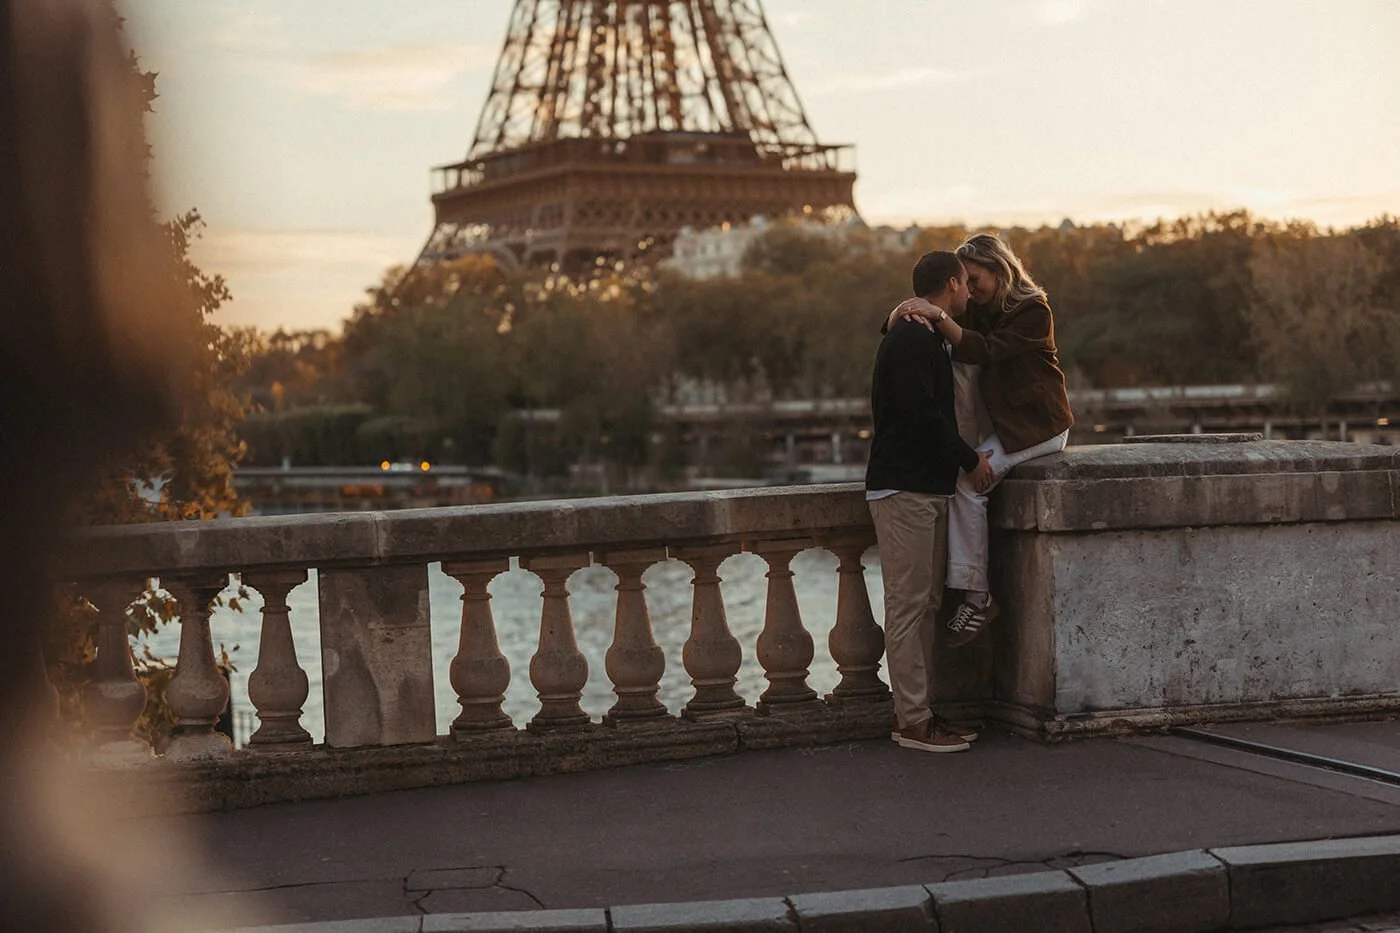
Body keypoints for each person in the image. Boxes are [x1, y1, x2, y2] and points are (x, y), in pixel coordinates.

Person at [889, 234, 1073, 648]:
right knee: (965, 472)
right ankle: (972, 590)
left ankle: (977, 596)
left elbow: (986, 350)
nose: (970, 290)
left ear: (999, 269)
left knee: (969, 482)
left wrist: (937, 315)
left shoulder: (1034, 310)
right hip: (1006, 424)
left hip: (1037, 426)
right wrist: (904, 312)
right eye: (965, 282)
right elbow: (947, 324)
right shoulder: (980, 308)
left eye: (975, 279)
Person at [867, 250, 994, 753]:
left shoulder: (923, 333)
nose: (969, 293)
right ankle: (913, 722)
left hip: (923, 488)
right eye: (966, 284)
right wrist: (970, 459)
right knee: (908, 606)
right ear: (951, 283)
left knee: (925, 605)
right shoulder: (911, 337)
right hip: (906, 490)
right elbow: (924, 416)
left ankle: (920, 714)